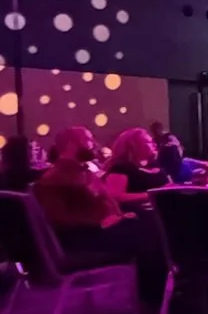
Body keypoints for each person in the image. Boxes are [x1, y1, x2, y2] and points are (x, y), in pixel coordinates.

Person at [32, 125, 162, 301]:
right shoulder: (55, 178)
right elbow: (57, 220)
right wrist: (103, 221)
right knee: (152, 234)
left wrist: (118, 217)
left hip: (96, 232)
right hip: (83, 240)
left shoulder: (81, 172)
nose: (94, 144)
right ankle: (157, 299)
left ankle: (159, 298)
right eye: (88, 139)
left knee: (153, 226)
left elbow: (105, 201)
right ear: (71, 145)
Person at [102, 128, 168, 203]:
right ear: (134, 145)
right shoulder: (120, 168)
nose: (154, 144)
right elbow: (114, 195)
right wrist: (151, 195)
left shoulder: (154, 164)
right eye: (148, 142)